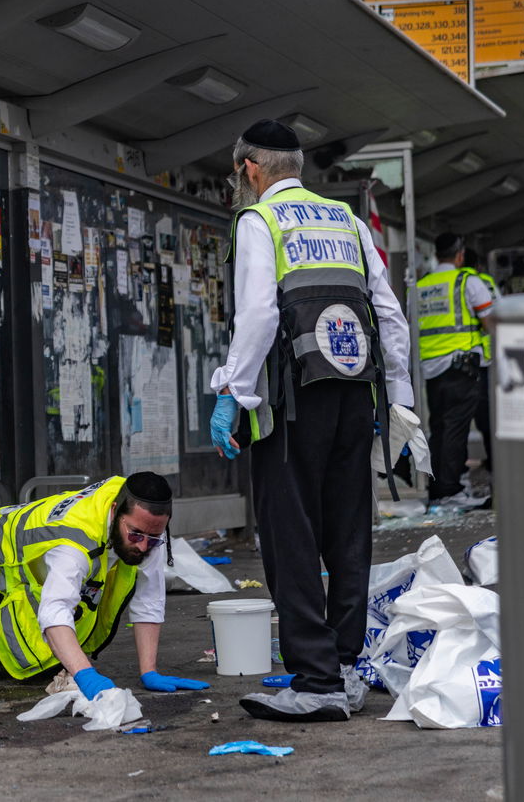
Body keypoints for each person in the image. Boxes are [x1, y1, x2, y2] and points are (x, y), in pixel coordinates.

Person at [208, 119, 413, 722]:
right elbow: (390, 315)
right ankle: (346, 669)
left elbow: (257, 316)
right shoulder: (348, 222)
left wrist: (234, 393)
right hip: (356, 395)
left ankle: (315, 680)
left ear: (250, 169)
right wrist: (397, 399)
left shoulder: (258, 221)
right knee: (349, 534)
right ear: (296, 165)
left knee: (290, 535)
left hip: (292, 401)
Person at [0, 472, 209, 699]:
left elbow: (149, 597)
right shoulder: (73, 545)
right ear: (114, 510)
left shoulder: (145, 524)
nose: (144, 546)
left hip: (37, 570)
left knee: (55, 657)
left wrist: (149, 671)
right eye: (135, 535)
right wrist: (86, 675)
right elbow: (55, 610)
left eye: (153, 538)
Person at [417, 234, 494, 507]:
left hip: (431, 368)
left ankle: (439, 488)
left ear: (437, 255)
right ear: (460, 255)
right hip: (462, 366)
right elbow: (490, 323)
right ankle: (450, 490)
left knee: (439, 427)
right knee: (455, 428)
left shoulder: (421, 285)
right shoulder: (468, 281)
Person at [462, 247, 497, 479]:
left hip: (446, 363)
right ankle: (494, 461)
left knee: (453, 423)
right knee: (485, 417)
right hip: (482, 360)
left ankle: (454, 471)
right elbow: (494, 319)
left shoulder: (435, 282)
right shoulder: (483, 282)